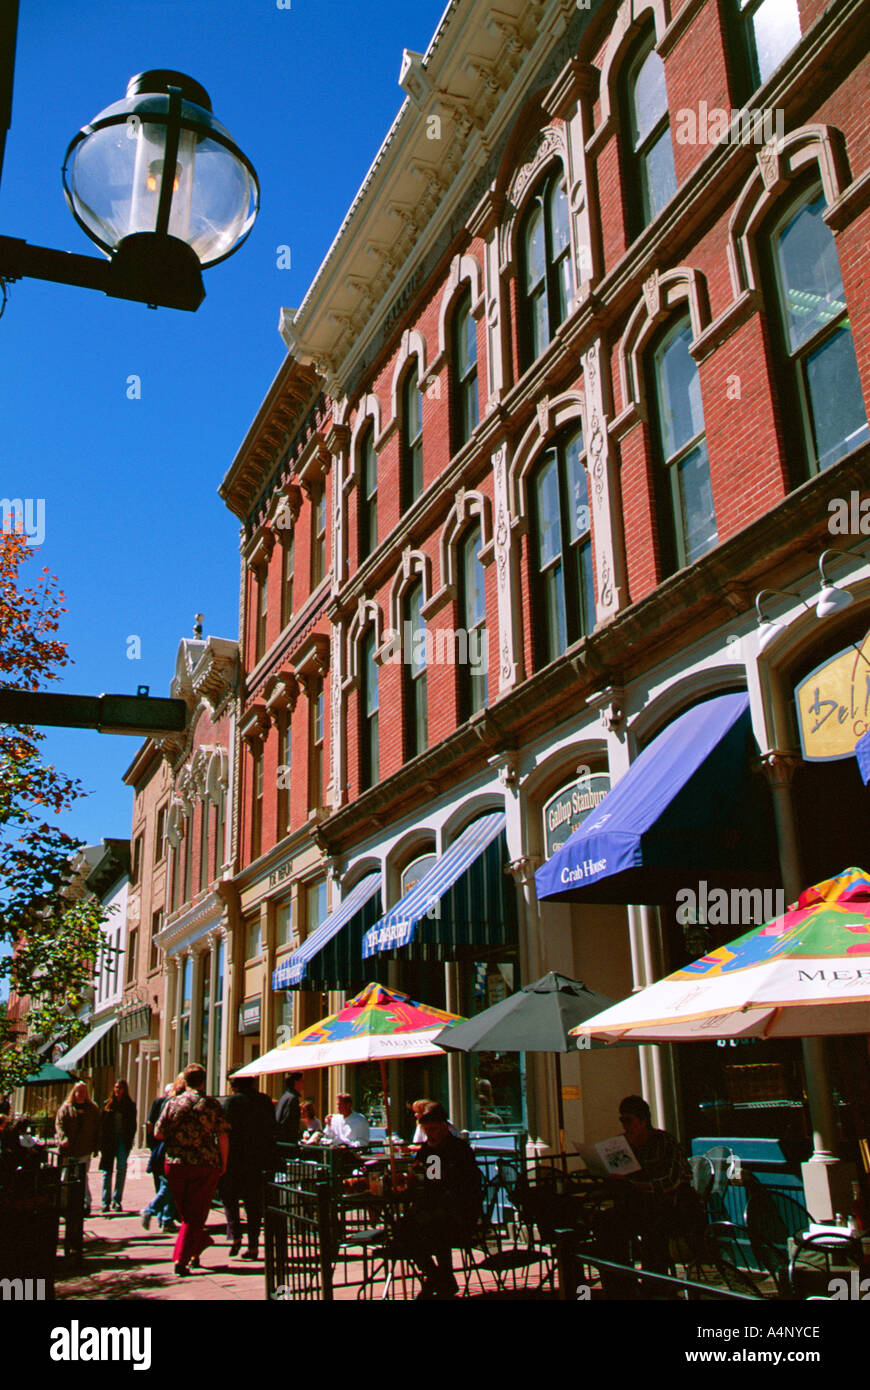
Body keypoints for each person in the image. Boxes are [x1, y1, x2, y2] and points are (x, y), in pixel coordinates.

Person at [594, 1095, 704, 1294]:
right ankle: (620, 1286)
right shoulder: (625, 1146)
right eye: (622, 1120)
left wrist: (634, 1183)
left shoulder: (664, 1142)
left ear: (643, 1121)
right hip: (639, 1207)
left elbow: (672, 1181)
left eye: (629, 1120)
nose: (625, 1126)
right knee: (606, 1224)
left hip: (673, 1207)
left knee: (652, 1227)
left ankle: (656, 1287)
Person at [397, 1102, 482, 1299]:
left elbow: (447, 1181)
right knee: (403, 1230)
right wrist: (409, 1177)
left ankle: (438, 1279)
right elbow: (426, 1177)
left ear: (445, 1126)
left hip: (460, 1211)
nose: (429, 1135)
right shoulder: (428, 1149)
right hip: (434, 1207)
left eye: (433, 1130)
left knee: (432, 1228)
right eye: (426, 1131)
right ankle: (439, 1277)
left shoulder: (458, 1149)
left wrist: (428, 1173)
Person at [156, 1062, 229, 1277]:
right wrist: (224, 1162)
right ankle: (181, 1259)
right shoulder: (211, 1105)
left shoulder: (172, 1103)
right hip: (205, 1163)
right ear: (203, 1081)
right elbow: (223, 1135)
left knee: (187, 1213)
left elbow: (158, 1134)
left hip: (176, 1163)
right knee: (195, 1215)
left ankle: (194, 1251)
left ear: (185, 1081)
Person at [220, 1074, 277, 1259]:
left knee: (230, 1200)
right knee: (254, 1205)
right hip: (258, 1160)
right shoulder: (264, 1100)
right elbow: (272, 1128)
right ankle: (253, 1245)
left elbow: (224, 1132)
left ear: (233, 1085)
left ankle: (236, 1235)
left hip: (235, 1160)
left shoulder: (231, 1103)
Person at [55, 1082, 101, 1216]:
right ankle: (63, 1204)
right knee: (65, 1178)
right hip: (69, 1150)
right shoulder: (66, 1108)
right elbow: (59, 1125)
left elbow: (98, 1128)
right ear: (73, 1093)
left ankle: (86, 1204)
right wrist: (63, 1139)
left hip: (85, 1148)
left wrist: (96, 1146)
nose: (81, 1094)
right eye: (78, 1091)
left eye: (83, 1091)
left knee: (82, 1177)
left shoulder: (92, 1109)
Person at [141, 1082, 180, 1233]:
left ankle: (165, 1218)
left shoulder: (171, 1104)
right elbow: (154, 1126)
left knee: (169, 1186)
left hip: (169, 1151)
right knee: (168, 1185)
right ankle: (156, 1213)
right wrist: (152, 1143)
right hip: (166, 1150)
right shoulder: (166, 1104)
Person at [99, 1078, 137, 1213]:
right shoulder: (107, 1104)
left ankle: (117, 1200)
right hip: (109, 1141)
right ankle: (105, 1201)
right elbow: (101, 1125)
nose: (117, 1090)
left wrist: (129, 1141)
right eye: (115, 1087)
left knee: (121, 1169)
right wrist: (100, 1143)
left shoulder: (130, 1106)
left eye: (120, 1088)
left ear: (124, 1090)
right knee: (107, 1171)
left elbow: (133, 1125)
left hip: (122, 1140)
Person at [275, 1073, 304, 1144]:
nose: (303, 1084)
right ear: (296, 1082)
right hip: (287, 1142)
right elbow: (290, 1122)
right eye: (302, 1081)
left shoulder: (284, 1096)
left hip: (281, 1140)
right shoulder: (293, 1098)